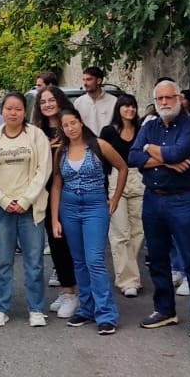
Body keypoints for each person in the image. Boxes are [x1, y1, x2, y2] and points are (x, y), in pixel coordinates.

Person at [128, 79, 190, 337]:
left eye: (169, 97)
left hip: (183, 200)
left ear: (179, 99)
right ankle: (165, 310)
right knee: (157, 258)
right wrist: (166, 159)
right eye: (159, 99)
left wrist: (150, 150)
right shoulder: (150, 125)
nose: (164, 103)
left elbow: (177, 154)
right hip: (153, 199)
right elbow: (132, 156)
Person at [50, 108, 127, 334]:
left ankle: (107, 314)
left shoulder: (99, 145)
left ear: (81, 123)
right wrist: (55, 218)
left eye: (74, 123)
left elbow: (122, 167)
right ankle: (86, 308)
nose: (71, 128)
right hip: (69, 207)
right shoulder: (61, 151)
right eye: (66, 125)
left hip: (95, 206)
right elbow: (56, 184)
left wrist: (114, 198)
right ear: (62, 129)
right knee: (79, 261)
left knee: (94, 260)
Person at [0, 92, 52, 326]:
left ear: (25, 112)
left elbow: (44, 170)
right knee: (2, 261)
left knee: (34, 261)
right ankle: (1, 308)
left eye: (18, 109)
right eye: (9, 109)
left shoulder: (36, 136)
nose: (13, 113)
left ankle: (36, 309)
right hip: (1, 208)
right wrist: (2, 200)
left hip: (30, 208)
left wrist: (25, 200)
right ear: (2, 110)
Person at [33, 84, 79, 318]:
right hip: (46, 194)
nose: (47, 105)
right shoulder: (36, 131)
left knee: (74, 245)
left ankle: (78, 292)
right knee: (57, 242)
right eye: (43, 102)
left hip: (72, 192)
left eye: (51, 100)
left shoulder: (71, 125)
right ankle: (67, 290)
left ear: (60, 101)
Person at [102, 94, 145, 297]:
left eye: (133, 106)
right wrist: (103, 190)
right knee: (120, 232)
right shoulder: (108, 132)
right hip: (115, 179)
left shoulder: (142, 130)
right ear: (119, 108)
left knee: (138, 231)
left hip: (139, 179)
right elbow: (102, 161)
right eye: (125, 106)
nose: (129, 110)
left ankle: (129, 274)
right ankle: (128, 281)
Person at [74, 66, 118, 135]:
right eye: (84, 80)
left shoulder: (114, 101)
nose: (85, 83)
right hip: (86, 143)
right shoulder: (78, 103)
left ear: (98, 81)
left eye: (89, 79)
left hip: (107, 143)